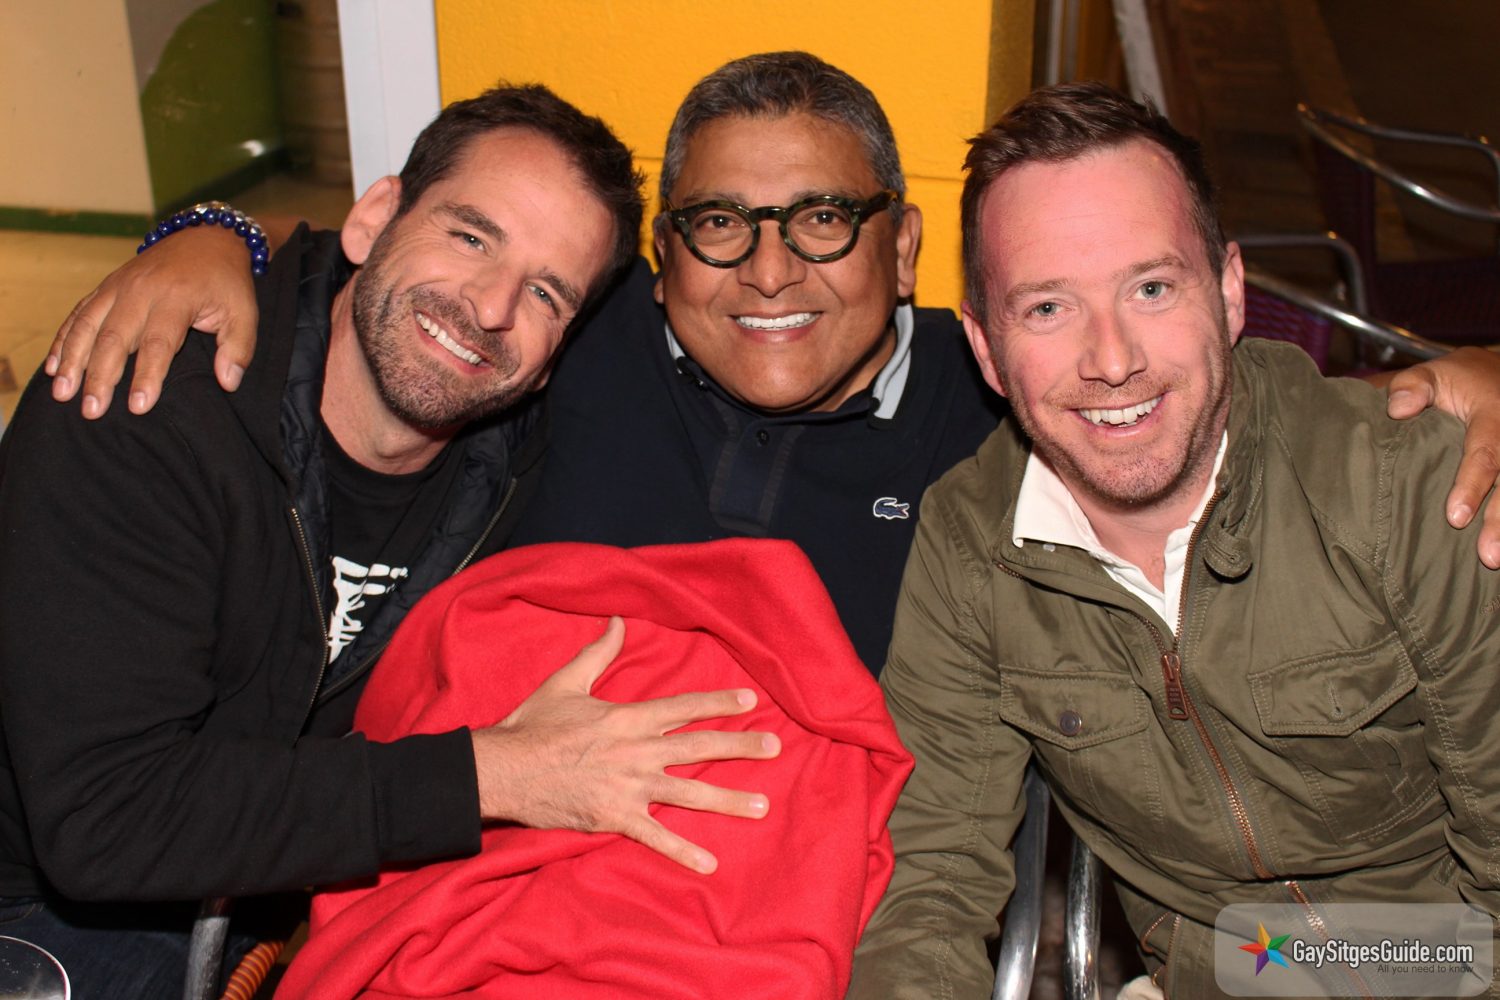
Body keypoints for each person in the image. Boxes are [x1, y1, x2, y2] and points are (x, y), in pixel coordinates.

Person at [42, 52, 1500, 673]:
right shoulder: (571, 337)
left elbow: (1224, 349)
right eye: (721, 225)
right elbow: (392, 271)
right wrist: (213, 233)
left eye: (822, 219)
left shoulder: (1008, 382)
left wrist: (1475, 365)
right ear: (663, 253)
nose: (769, 272)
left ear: (905, 245)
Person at [0, 84, 780, 997]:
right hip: (44, 905)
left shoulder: (521, 447)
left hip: (262, 895)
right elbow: (106, 821)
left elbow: (750, 314)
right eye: (471, 236)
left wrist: (222, 228)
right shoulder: (145, 405)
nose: (490, 306)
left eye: (545, 292)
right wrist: (497, 773)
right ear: (373, 219)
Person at [850, 82, 1500, 1000]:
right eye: (1048, 309)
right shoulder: (970, 546)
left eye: (1151, 289)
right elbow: (928, 884)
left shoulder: (1404, 487)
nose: (1113, 360)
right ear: (987, 349)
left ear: (1230, 294)